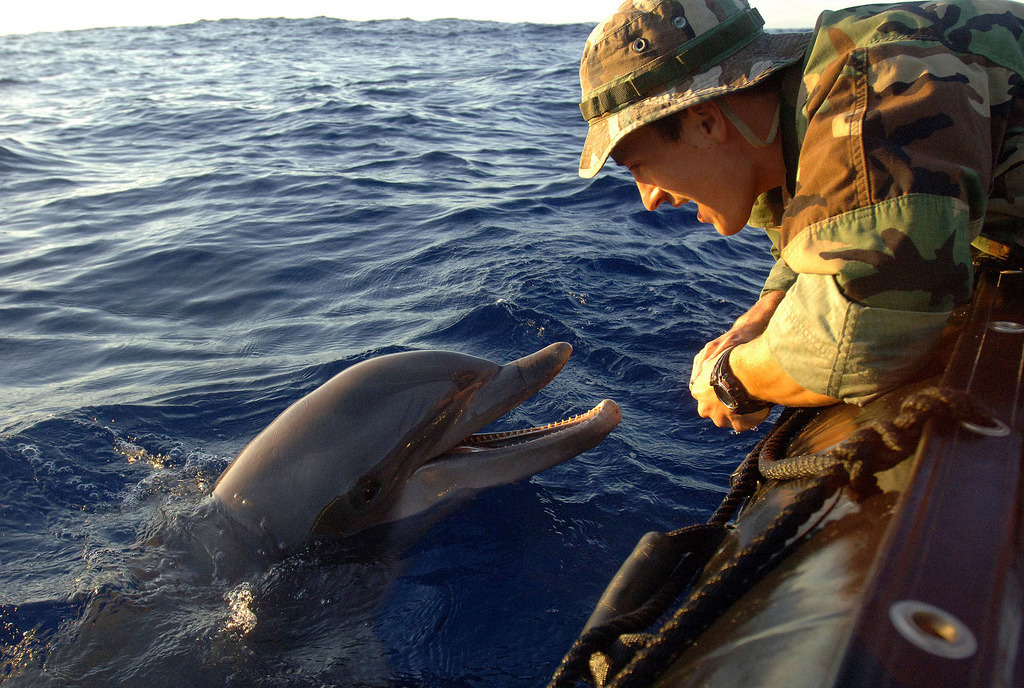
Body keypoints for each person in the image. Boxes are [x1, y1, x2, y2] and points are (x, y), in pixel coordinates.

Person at [577, 0, 1024, 430]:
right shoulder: (792, 130)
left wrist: (734, 379)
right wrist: (763, 313)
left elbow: (863, 339)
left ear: (706, 122)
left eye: (638, 167)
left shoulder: (872, 87)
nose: (649, 198)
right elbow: (823, 236)